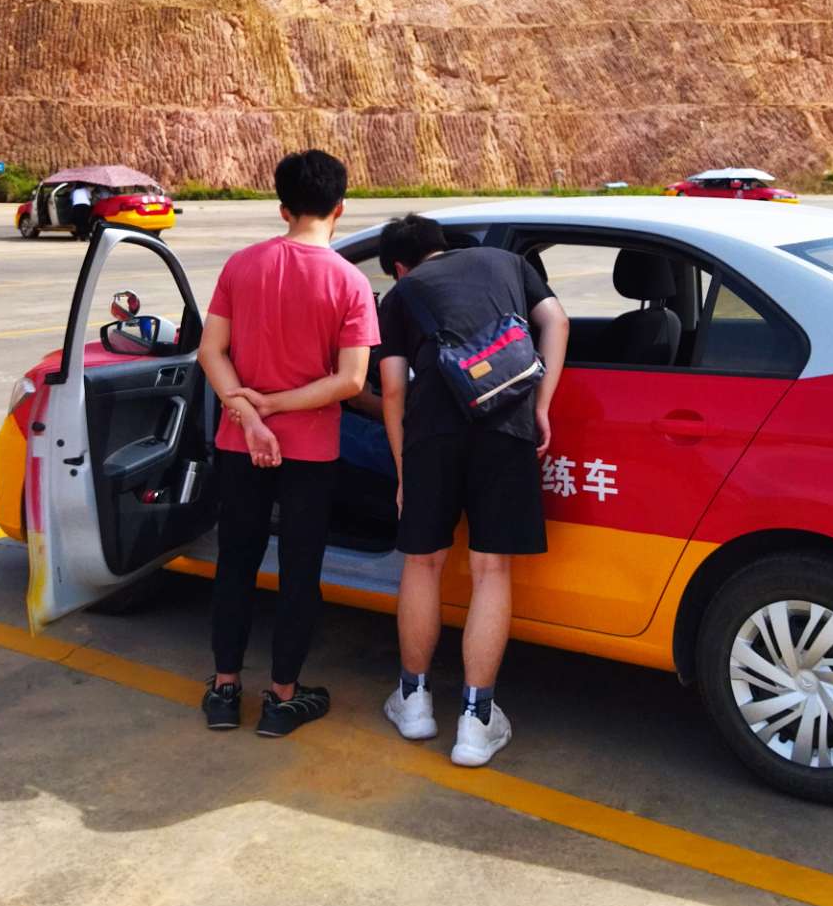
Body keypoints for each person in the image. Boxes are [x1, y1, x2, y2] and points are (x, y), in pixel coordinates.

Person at [197, 150, 379, 738]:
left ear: (282, 208)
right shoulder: (350, 281)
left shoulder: (242, 265)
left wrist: (249, 413)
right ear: (340, 208)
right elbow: (351, 382)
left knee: (236, 563)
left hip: (238, 442)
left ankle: (225, 691)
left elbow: (210, 353)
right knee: (299, 571)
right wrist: (276, 406)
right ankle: (282, 698)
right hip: (309, 451)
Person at [377, 215, 569, 768]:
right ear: (441, 245)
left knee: (423, 563)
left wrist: (403, 469)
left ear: (397, 265)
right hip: (507, 422)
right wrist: (540, 406)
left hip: (432, 432)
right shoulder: (508, 262)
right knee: (491, 571)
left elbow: (392, 389)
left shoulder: (401, 294)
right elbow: (556, 322)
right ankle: (476, 724)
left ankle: (413, 705)